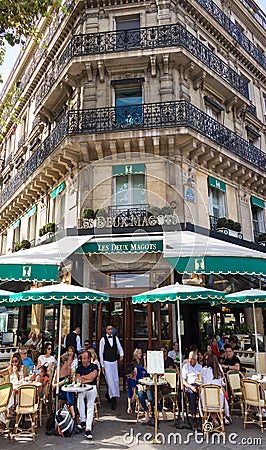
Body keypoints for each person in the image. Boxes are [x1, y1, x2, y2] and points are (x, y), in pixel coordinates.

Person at [200, 353, 230, 425]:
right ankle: (215, 419)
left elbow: (203, 383)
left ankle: (213, 420)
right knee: (216, 402)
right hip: (218, 399)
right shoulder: (219, 369)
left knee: (207, 399)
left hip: (207, 398)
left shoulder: (204, 370)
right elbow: (222, 382)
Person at [99, 324, 124, 410]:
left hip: (114, 362)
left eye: (111, 329)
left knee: (115, 380)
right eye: (109, 329)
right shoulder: (103, 340)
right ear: (106, 330)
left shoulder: (115, 338)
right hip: (107, 362)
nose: (110, 331)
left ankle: (110, 395)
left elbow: (119, 347)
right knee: (109, 380)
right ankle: (113, 400)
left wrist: (121, 355)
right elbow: (101, 353)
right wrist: (102, 365)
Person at [76, 351, 98, 439]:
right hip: (82, 387)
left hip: (92, 387)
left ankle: (88, 428)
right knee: (79, 398)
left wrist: (83, 377)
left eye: (85, 358)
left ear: (89, 359)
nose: (83, 360)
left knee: (90, 404)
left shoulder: (94, 366)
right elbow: (77, 379)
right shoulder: (79, 368)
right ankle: (82, 420)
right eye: (82, 358)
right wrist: (86, 378)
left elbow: (93, 377)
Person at [182, 351, 202, 429]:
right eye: (189, 358)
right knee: (191, 394)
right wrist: (191, 387)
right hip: (189, 385)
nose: (190, 360)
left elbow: (201, 378)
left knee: (203, 394)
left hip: (198, 384)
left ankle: (202, 415)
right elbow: (183, 381)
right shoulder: (185, 367)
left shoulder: (199, 367)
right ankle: (193, 416)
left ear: (196, 359)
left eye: (192, 359)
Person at [52, 354, 75, 420]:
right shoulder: (58, 370)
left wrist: (73, 377)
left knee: (70, 391)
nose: (71, 361)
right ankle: (73, 413)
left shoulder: (70, 370)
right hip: (59, 391)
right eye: (70, 360)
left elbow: (72, 382)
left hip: (68, 390)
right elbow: (53, 386)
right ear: (65, 362)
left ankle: (72, 411)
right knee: (69, 392)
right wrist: (63, 382)